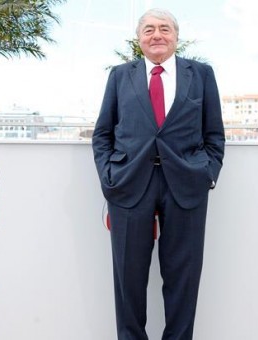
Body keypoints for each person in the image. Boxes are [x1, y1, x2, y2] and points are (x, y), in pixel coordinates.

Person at [92, 8, 225, 340]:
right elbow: (102, 134)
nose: (157, 35)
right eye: (149, 29)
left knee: (184, 275)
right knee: (128, 277)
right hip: (129, 184)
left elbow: (214, 135)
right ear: (139, 39)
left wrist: (208, 173)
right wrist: (109, 178)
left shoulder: (202, 75)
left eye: (164, 29)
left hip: (186, 185)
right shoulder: (120, 76)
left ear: (176, 37)